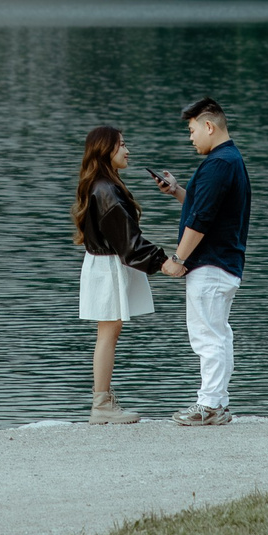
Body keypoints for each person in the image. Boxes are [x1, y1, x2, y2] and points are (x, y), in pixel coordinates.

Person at [153, 94, 250, 426]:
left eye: (193, 130)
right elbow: (207, 206)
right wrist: (179, 191)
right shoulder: (230, 160)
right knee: (219, 335)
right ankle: (219, 403)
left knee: (206, 336)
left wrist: (178, 258)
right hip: (225, 263)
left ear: (209, 126)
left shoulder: (218, 164)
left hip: (210, 264)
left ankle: (208, 405)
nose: (190, 136)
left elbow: (201, 220)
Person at [74, 124, 167, 424]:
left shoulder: (101, 185)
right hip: (108, 265)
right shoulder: (106, 189)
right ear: (106, 150)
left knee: (109, 332)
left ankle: (104, 400)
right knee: (107, 333)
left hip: (104, 263)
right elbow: (130, 243)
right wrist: (164, 262)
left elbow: (126, 240)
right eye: (122, 145)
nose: (128, 150)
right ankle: (101, 404)